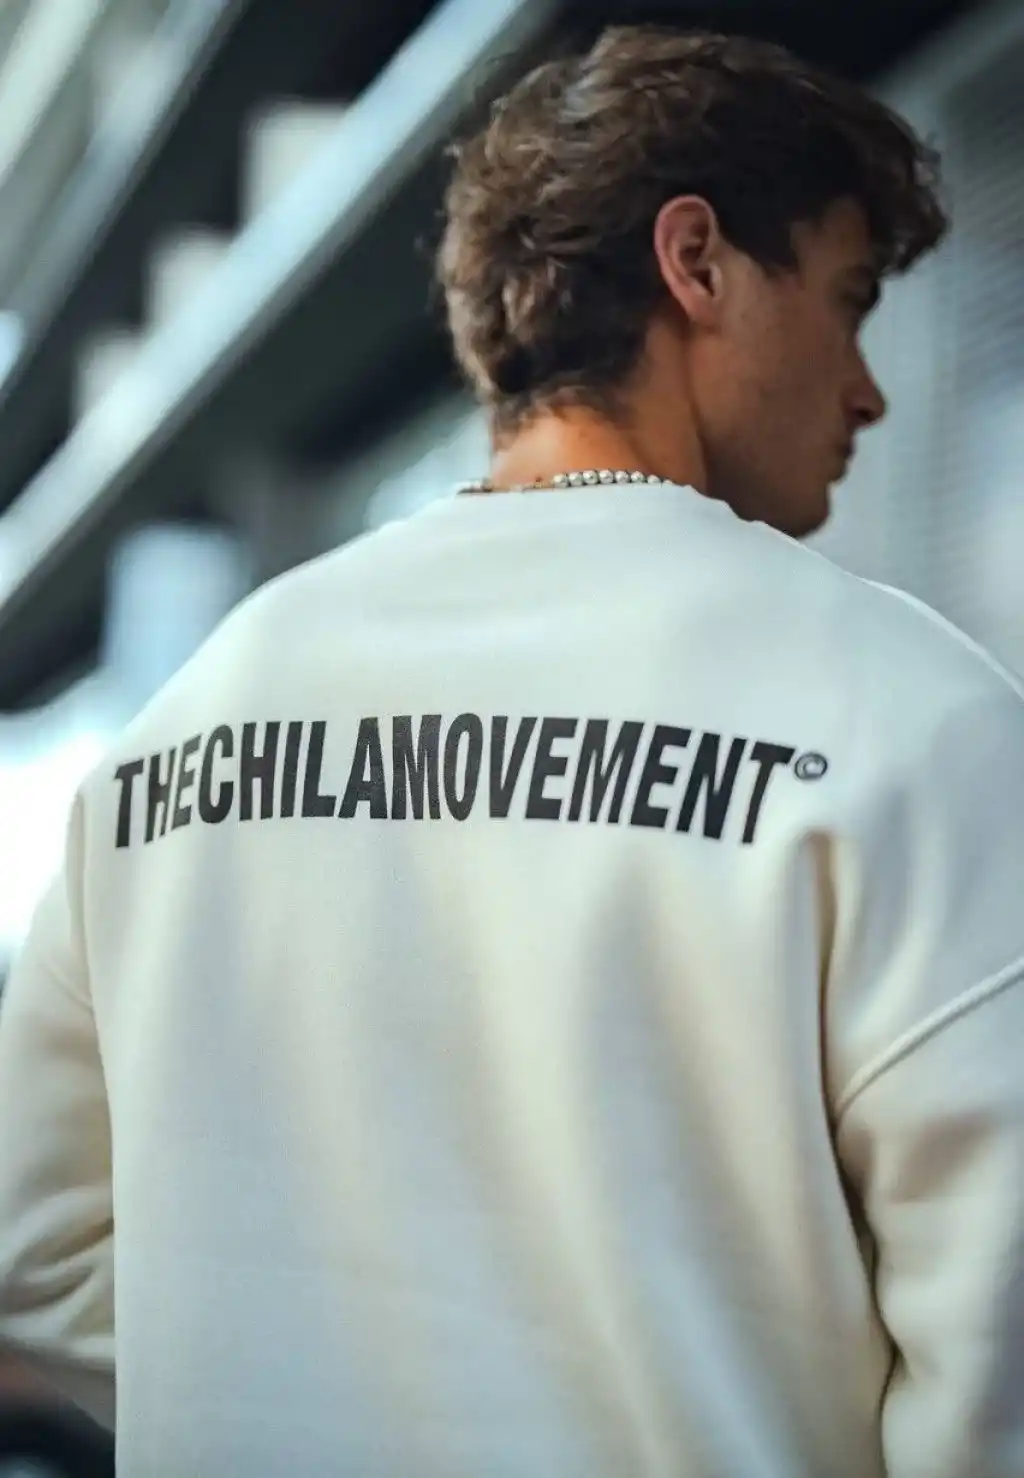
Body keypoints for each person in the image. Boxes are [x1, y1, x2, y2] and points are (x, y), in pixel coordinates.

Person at [0, 23, 1021, 1478]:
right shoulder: (906, 710)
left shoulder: (195, 717)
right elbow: (997, 1347)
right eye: (848, 302)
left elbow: (35, 1244)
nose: (868, 388)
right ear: (698, 261)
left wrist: (334, 1392)